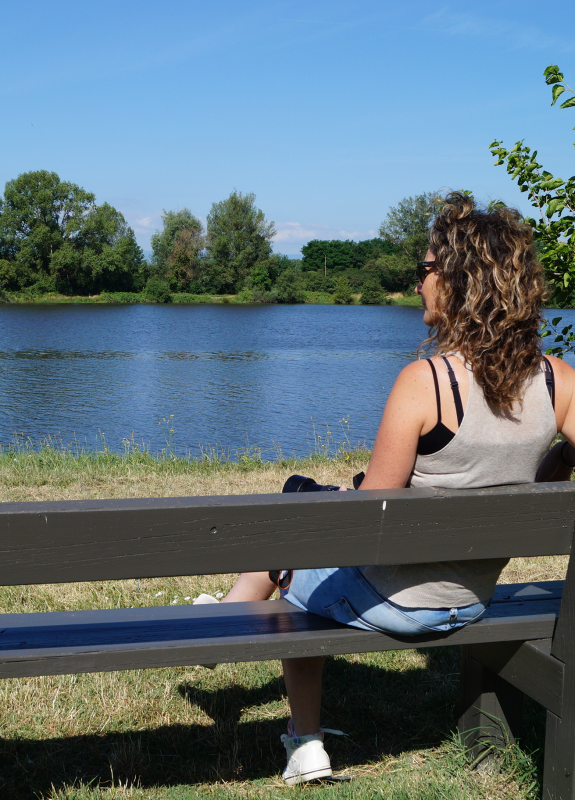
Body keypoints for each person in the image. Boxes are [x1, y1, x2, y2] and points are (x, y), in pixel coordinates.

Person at [211, 192, 575, 784]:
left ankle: (304, 743)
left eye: (424, 269)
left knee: (296, 557)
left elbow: (362, 525)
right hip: (473, 598)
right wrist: (557, 462)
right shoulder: (558, 380)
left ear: (459, 279)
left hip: (396, 605)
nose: (416, 285)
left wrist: (316, 520)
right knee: (306, 509)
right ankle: (232, 605)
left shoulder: (424, 381)